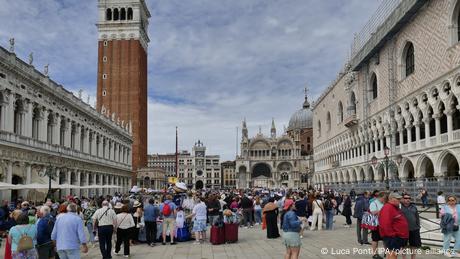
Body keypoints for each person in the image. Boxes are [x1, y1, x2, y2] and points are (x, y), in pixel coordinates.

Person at [379, 192, 409, 259]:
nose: (400, 200)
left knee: (391, 254)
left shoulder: (394, 207)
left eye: (400, 199)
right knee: (393, 255)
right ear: (391, 199)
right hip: (393, 237)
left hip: (396, 237)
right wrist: (392, 235)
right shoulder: (388, 208)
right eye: (398, 199)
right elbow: (385, 224)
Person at [400, 193, 421, 259]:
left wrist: (418, 226)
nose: (408, 199)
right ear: (402, 199)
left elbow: (417, 217)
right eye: (406, 198)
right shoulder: (399, 207)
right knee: (403, 245)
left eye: (409, 198)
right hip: (403, 230)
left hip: (414, 229)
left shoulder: (414, 207)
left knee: (414, 245)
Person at [369, 192, 386, 259]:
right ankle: (375, 254)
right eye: (384, 198)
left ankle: (386, 252)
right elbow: (373, 212)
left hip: (384, 224)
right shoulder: (373, 203)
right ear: (380, 197)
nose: (384, 200)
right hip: (376, 224)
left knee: (385, 239)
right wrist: (383, 211)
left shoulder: (384, 203)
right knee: (375, 239)